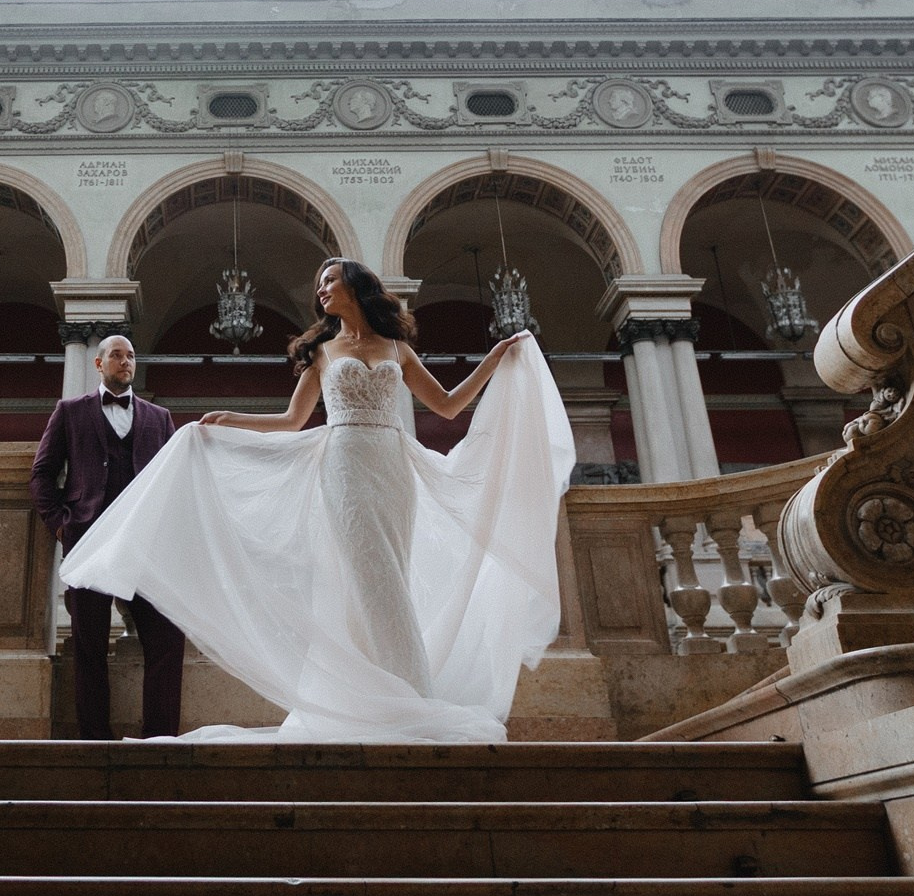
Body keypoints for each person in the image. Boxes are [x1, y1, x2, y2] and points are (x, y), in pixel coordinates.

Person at [61, 258, 574, 742]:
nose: (322, 290)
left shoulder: (396, 347)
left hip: (394, 469)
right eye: (319, 287)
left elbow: (446, 404)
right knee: (374, 581)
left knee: (390, 574)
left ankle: (376, 700)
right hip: (345, 467)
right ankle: (418, 700)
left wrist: (494, 360)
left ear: (356, 286)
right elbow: (292, 420)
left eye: (330, 281)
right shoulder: (323, 352)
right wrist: (231, 421)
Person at [28, 334, 186, 739]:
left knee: (167, 638)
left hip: (144, 546)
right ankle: (94, 743)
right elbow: (43, 473)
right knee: (89, 648)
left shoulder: (159, 418)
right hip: (90, 542)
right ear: (99, 364)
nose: (125, 362)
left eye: (131, 356)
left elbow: (173, 481)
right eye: (116, 355)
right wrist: (61, 524)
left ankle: (160, 740)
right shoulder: (69, 411)